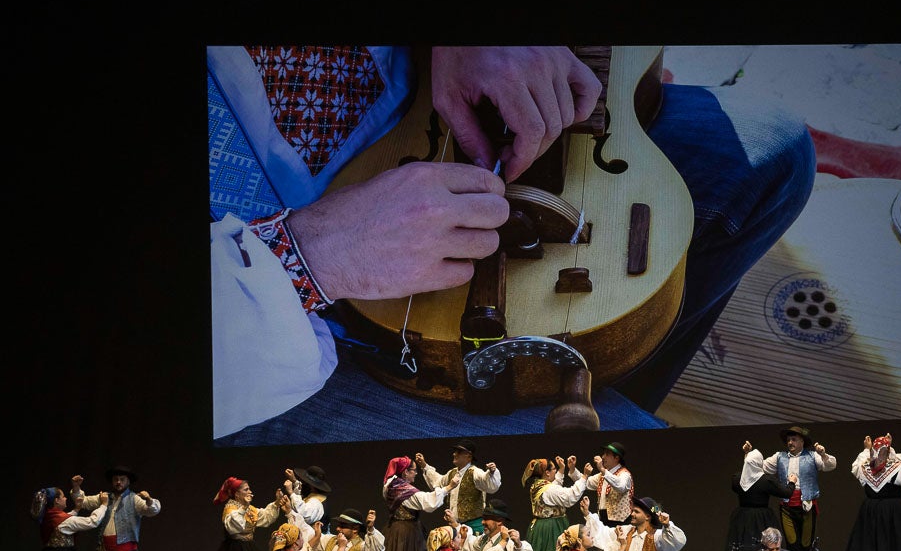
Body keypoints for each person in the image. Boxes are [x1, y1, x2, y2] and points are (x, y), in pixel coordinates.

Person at [209, 45, 815, 442]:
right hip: (266, 334)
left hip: (431, 122)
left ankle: (596, 366)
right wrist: (313, 254)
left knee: (773, 150)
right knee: (626, 485)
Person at [741, 425, 838, 551]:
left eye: (794, 439)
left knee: (806, 546)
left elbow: (830, 465)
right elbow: (757, 466)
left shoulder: (812, 456)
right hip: (787, 507)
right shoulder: (779, 457)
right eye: (788, 440)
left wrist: (823, 453)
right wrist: (747, 454)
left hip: (807, 507)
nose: (790, 442)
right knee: (792, 545)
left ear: (802, 441)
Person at [723, 456, 792, 551]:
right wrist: (792, 482)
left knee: (742, 550)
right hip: (762, 519)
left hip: (742, 519)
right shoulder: (766, 481)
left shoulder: (737, 479)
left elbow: (747, 473)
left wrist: (746, 456)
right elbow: (786, 493)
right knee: (765, 548)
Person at [421, 441, 501, 534]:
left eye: (459, 452)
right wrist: (425, 466)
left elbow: (489, 485)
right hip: (455, 526)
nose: (454, 454)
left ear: (469, 456)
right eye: (455, 451)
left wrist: (491, 473)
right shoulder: (452, 473)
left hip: (473, 526)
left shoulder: (475, 472)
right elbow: (438, 482)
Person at [584, 441, 634, 528]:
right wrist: (573, 470)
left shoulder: (625, 474)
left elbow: (620, 486)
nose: (603, 457)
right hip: (603, 518)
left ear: (616, 458)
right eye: (604, 454)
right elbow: (586, 483)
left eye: (607, 454)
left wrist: (603, 470)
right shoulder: (602, 475)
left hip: (620, 522)